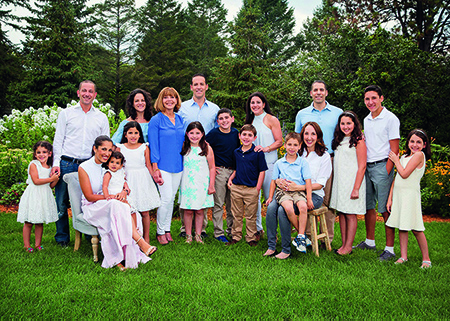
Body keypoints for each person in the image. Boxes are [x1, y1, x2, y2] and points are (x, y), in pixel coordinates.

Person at [79, 136, 157, 270]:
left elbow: (121, 184)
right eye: (103, 149)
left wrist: (123, 193)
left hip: (112, 203)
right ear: (95, 149)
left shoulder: (112, 165)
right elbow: (89, 197)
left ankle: (126, 256)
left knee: (127, 209)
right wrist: (112, 198)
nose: (107, 153)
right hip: (93, 206)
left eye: (110, 150)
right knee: (117, 206)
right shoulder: (84, 167)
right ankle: (139, 242)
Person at [52, 80, 110, 247]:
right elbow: (58, 140)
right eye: (84, 90)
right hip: (67, 162)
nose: (87, 94)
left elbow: (105, 143)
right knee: (62, 203)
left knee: (89, 201)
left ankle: (87, 233)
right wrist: (56, 163)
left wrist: (103, 165)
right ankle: (62, 238)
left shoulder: (101, 117)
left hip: (90, 164)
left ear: (95, 95)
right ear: (78, 93)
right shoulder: (66, 114)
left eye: (90, 91)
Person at [264, 122, 331, 259]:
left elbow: (320, 184)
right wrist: (278, 181)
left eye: (313, 134)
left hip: (313, 194)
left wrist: (297, 188)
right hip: (287, 192)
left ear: (318, 136)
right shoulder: (297, 151)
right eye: (306, 133)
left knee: (283, 210)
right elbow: (279, 173)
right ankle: (272, 245)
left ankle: (287, 248)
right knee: (271, 208)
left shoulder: (323, 156)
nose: (309, 137)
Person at [354, 85, 400, 262]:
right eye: (367, 99)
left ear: (382, 98)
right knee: (368, 206)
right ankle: (370, 241)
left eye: (374, 98)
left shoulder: (390, 119)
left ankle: (390, 249)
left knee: (385, 209)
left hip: (383, 166)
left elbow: (394, 149)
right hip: (367, 166)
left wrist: (387, 171)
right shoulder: (366, 119)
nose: (370, 102)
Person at [295, 81, 343, 245]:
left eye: (321, 90)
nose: (318, 93)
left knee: (327, 200)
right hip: (305, 160)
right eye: (315, 90)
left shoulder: (337, 113)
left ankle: (327, 237)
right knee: (302, 196)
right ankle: (306, 236)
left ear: (326, 92)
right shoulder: (302, 114)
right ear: (310, 93)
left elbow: (344, 133)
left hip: (327, 159)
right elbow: (297, 138)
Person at [178, 74, 219, 238]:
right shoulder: (183, 107)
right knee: (188, 201)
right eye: (196, 84)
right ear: (191, 87)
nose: (199, 87)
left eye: (202, 84)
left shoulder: (214, 109)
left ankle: (200, 231)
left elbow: (217, 131)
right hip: (187, 152)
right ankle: (185, 230)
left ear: (206, 86)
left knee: (201, 203)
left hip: (205, 152)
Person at [386, 129, 431, 269]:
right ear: (408, 142)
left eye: (419, 142)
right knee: (402, 226)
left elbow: (404, 174)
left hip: (410, 196)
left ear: (424, 145)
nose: (415, 145)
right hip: (399, 195)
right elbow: (397, 178)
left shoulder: (419, 155)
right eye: (412, 141)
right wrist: (390, 198)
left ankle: (426, 259)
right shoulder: (405, 157)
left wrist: (395, 161)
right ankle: (403, 256)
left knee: (416, 228)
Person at [265, 132, 313, 255]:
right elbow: (273, 181)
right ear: (285, 145)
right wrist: (270, 197)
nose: (292, 147)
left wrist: (309, 198)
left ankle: (301, 236)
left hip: (298, 191)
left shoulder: (303, 163)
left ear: (300, 146)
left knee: (302, 207)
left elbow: (308, 182)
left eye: (295, 145)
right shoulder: (279, 163)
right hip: (284, 192)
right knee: (288, 208)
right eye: (289, 144)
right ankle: (300, 235)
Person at [148, 87, 185, 245]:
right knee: (165, 198)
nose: (169, 100)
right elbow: (153, 145)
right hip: (162, 165)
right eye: (166, 97)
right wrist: (155, 167)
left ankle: (167, 229)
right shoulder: (156, 120)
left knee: (171, 200)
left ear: (177, 100)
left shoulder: (181, 119)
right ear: (161, 100)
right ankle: (159, 231)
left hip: (179, 165)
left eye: (172, 97)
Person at [245, 92, 283, 238]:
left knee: (271, 198)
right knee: (254, 198)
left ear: (264, 104)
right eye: (252, 103)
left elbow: (279, 141)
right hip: (253, 165)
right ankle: (257, 229)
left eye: (258, 102)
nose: (255, 105)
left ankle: (275, 231)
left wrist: (266, 148)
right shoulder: (250, 122)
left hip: (269, 163)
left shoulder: (271, 119)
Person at [116, 121, 161, 243]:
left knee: (145, 211)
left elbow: (148, 165)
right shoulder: (120, 148)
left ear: (139, 134)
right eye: (130, 133)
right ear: (125, 134)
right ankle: (132, 237)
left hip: (142, 179)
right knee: (130, 210)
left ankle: (146, 238)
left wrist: (155, 178)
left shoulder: (144, 147)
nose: (133, 136)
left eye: (136, 133)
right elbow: (118, 166)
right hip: (128, 180)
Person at [330, 111, 367, 255]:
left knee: (350, 214)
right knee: (343, 213)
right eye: (343, 123)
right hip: (341, 182)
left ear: (355, 124)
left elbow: (362, 166)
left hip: (353, 182)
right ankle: (344, 245)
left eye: (349, 123)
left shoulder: (358, 141)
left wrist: (356, 188)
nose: (345, 126)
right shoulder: (339, 140)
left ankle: (348, 246)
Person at [227, 124, 268, 246]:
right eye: (244, 134)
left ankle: (251, 237)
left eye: (250, 135)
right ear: (240, 136)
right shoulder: (236, 152)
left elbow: (262, 171)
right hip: (237, 188)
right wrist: (230, 179)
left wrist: (258, 188)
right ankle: (236, 236)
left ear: (254, 138)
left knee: (251, 215)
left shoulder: (258, 153)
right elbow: (236, 169)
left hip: (252, 189)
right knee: (237, 214)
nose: (246, 137)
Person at [205, 108, 240, 243]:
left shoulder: (236, 133)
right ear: (217, 121)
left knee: (232, 204)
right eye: (221, 119)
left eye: (227, 118)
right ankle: (218, 232)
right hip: (220, 172)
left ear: (232, 119)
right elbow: (204, 147)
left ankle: (231, 230)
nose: (224, 121)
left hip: (233, 172)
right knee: (218, 203)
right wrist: (212, 167)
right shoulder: (213, 134)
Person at [17, 141, 60, 252]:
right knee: (29, 221)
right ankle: (26, 245)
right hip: (34, 195)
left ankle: (38, 244)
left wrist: (55, 179)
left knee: (39, 221)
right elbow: (36, 181)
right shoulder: (33, 165)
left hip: (44, 196)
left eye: (44, 152)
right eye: (38, 152)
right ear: (35, 154)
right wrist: (51, 179)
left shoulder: (49, 166)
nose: (41, 155)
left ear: (50, 153)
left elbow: (50, 186)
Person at [179, 121, 215, 244]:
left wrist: (211, 185)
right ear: (187, 134)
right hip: (187, 183)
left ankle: (198, 235)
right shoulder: (184, 146)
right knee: (188, 210)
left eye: (197, 133)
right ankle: (188, 235)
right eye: (192, 133)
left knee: (200, 210)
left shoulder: (206, 148)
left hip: (201, 184)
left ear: (202, 134)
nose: (194, 136)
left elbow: (212, 167)